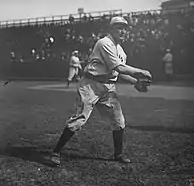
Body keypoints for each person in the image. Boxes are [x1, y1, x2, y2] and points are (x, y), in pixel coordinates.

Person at [50, 16, 152, 166]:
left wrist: (135, 82)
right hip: (91, 85)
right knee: (79, 119)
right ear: (111, 29)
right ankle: (56, 152)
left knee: (119, 121)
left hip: (108, 87)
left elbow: (119, 72)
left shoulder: (121, 51)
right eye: (119, 27)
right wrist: (140, 72)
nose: (123, 31)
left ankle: (118, 154)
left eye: (124, 28)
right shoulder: (104, 43)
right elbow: (119, 67)